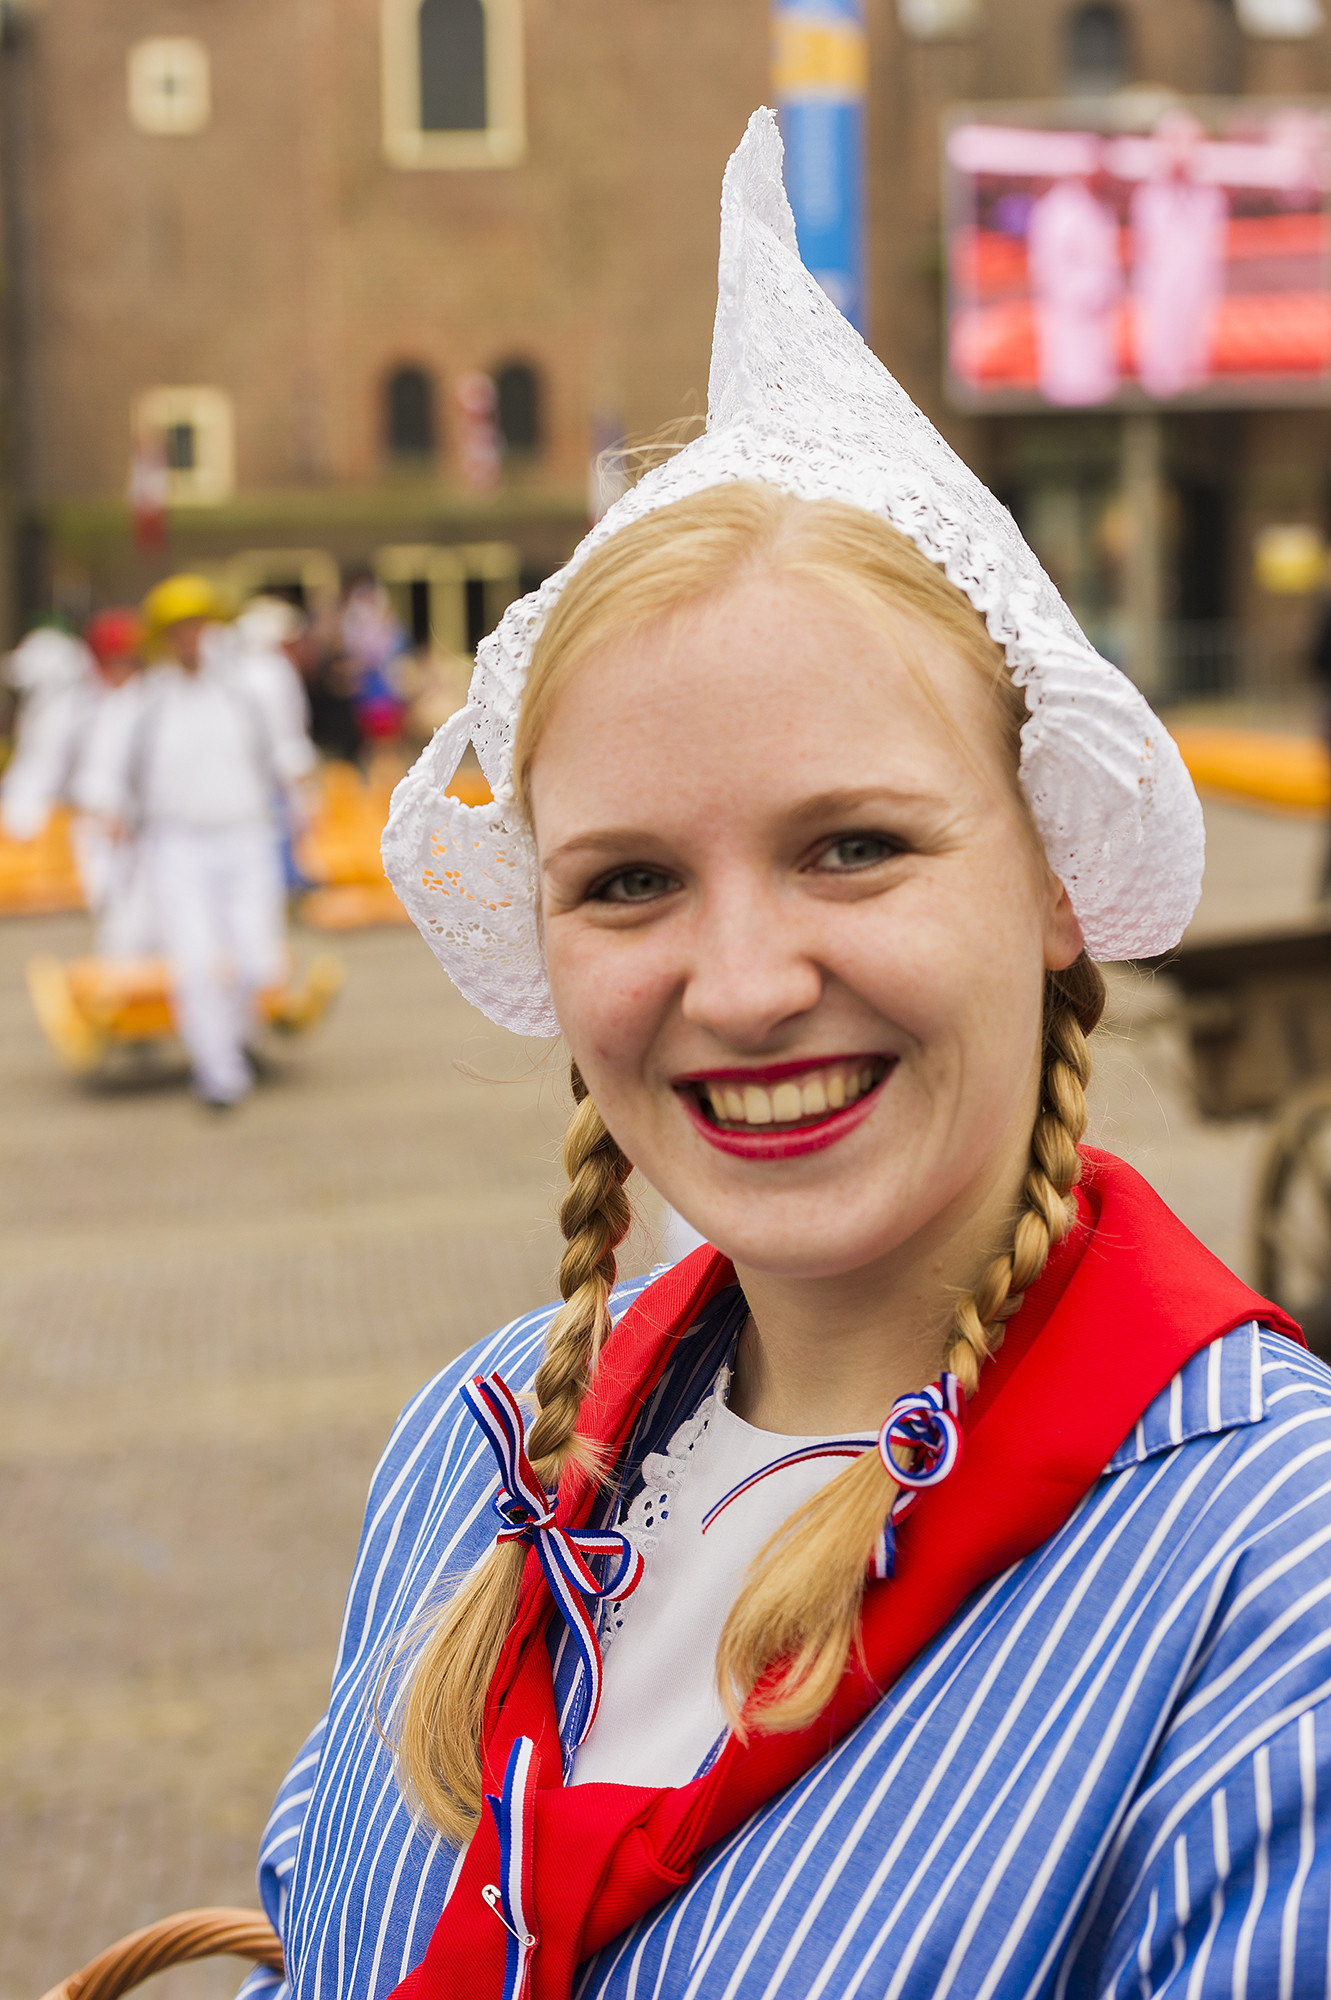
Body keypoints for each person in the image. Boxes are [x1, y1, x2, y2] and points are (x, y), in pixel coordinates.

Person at [243, 115, 1331, 2000]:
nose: (740, 986)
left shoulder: (1266, 1587)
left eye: (854, 845)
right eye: (631, 880)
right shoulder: (472, 1450)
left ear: (1055, 878)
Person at [79, 574, 315, 1107]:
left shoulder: (245, 693)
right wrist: (110, 813)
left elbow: (285, 753)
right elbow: (106, 773)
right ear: (164, 637)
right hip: (177, 846)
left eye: (197, 626)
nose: (189, 639)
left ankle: (231, 1038)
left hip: (248, 838)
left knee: (259, 960)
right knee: (198, 960)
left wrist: (303, 809)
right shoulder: (142, 701)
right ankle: (219, 1071)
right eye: (178, 630)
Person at [2, 611, 154, 956]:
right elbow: (41, 771)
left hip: (144, 830)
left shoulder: (146, 701)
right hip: (96, 828)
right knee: (114, 927)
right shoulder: (77, 706)